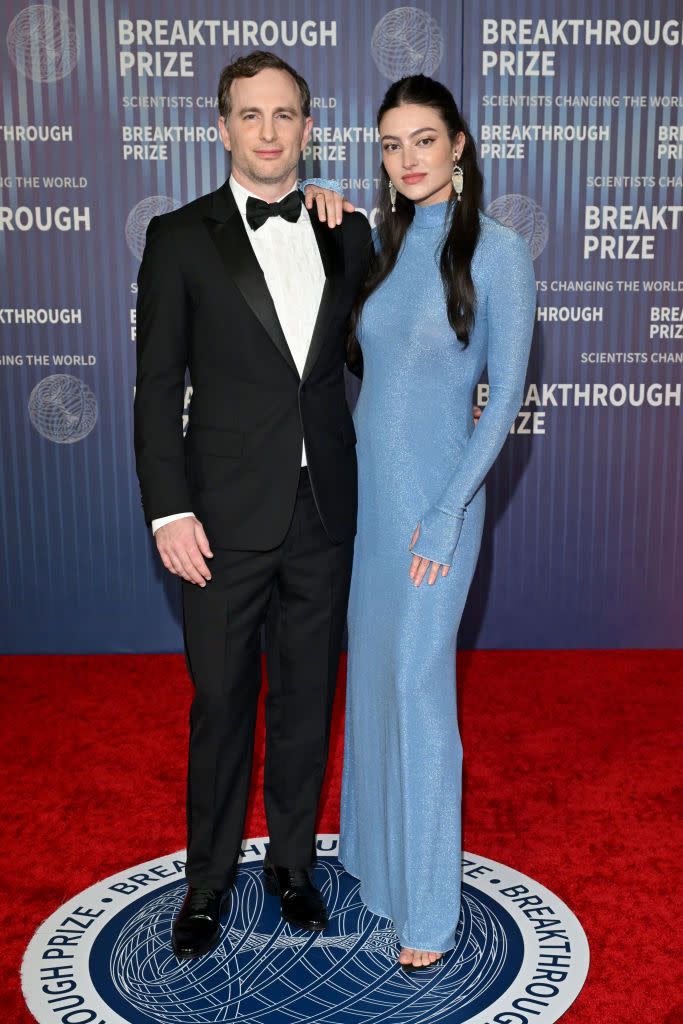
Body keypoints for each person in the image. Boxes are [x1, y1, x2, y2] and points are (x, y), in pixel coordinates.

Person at [133, 50, 371, 960]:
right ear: (220, 126)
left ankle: (294, 868)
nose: (269, 133)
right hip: (221, 519)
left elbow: (369, 358)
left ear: (309, 129)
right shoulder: (179, 236)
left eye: (285, 116)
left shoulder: (345, 232)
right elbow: (158, 389)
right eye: (250, 115)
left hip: (326, 510)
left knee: (308, 699)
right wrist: (169, 511)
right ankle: (207, 881)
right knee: (222, 702)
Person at [303, 75, 536, 970]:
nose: (407, 159)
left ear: (459, 145)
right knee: (370, 687)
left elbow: (504, 398)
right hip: (368, 511)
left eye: (424, 141)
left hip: (439, 509)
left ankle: (429, 912)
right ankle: (375, 866)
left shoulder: (500, 253)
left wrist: (446, 515)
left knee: (415, 690)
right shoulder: (383, 248)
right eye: (391, 145)